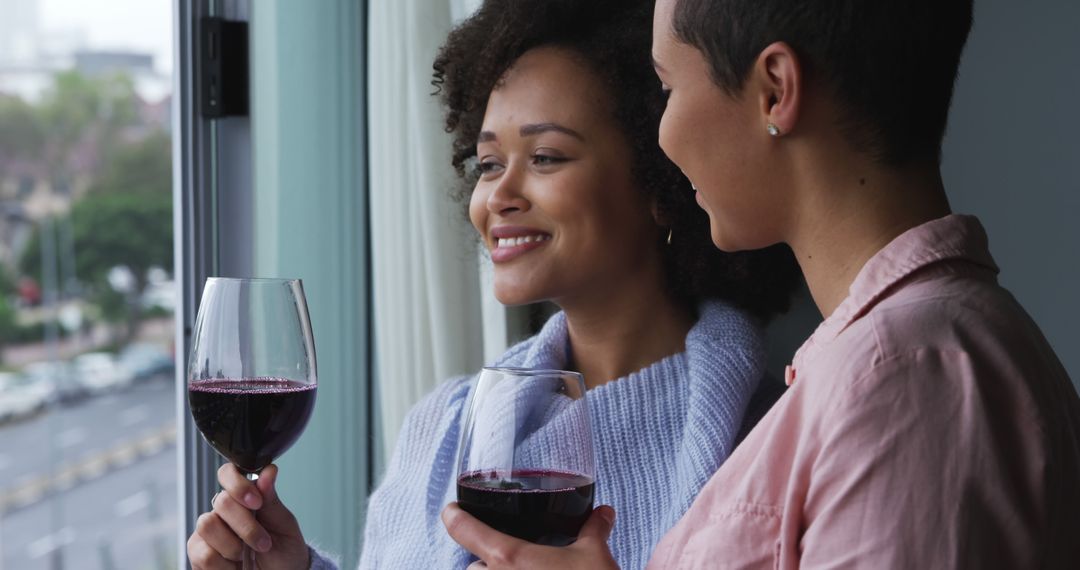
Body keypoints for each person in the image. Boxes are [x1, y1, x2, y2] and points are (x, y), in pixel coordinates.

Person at [441, 0, 1080, 568]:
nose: (660, 138)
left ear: (775, 90)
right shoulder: (898, 358)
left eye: (666, 90)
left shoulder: (903, 376)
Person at [184, 0, 800, 568]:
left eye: (546, 157)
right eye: (488, 164)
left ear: (661, 178)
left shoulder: (767, 442)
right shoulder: (443, 426)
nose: (498, 196)